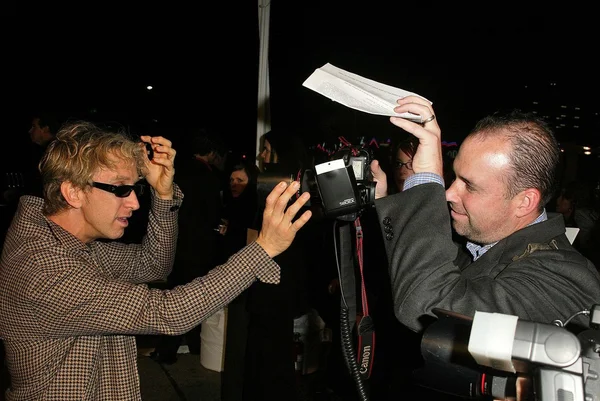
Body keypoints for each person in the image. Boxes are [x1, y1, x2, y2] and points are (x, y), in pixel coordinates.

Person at [0, 120, 312, 400]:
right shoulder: (42, 268)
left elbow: (152, 264)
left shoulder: (69, 241)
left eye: (135, 188)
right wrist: (263, 248)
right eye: (121, 189)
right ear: (73, 192)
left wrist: (162, 197)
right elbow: (168, 313)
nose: (135, 201)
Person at [370, 96, 600, 397]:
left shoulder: (563, 277)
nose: (449, 193)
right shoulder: (480, 245)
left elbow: (424, 302)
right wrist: (387, 205)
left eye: (470, 185)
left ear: (524, 201)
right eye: (452, 178)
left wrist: (425, 182)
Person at [150, 129, 228, 364]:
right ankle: (191, 345)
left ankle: (170, 348)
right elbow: (213, 212)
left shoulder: (180, 172)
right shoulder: (210, 177)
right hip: (200, 244)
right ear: (211, 153)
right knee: (195, 295)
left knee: (175, 291)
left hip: (177, 240)